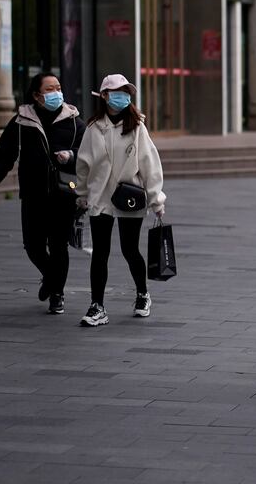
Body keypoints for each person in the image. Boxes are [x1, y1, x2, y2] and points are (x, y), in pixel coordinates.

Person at [0, 73, 85, 315]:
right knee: (33, 246)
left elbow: (88, 154)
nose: (56, 92)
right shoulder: (22, 121)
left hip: (63, 195)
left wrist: (71, 156)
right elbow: (5, 153)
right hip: (33, 194)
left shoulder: (73, 121)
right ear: (37, 95)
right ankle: (51, 277)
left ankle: (57, 294)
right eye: (50, 89)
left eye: (58, 87)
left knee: (59, 246)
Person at [75, 74, 166, 327]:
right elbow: (83, 164)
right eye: (116, 92)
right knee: (100, 253)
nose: (122, 96)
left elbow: (150, 164)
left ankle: (142, 294)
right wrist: (82, 195)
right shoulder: (93, 128)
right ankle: (97, 306)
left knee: (129, 249)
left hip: (129, 196)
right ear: (104, 96)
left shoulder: (137, 126)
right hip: (100, 197)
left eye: (126, 92)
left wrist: (156, 199)